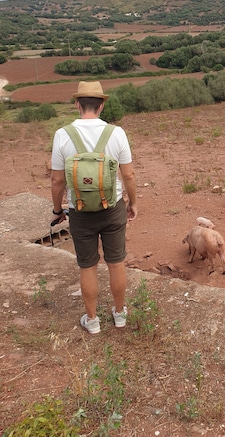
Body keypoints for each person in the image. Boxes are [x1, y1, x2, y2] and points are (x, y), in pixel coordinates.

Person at [51, 81, 137, 334]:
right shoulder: (117, 133)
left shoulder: (62, 134)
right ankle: (119, 314)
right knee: (116, 262)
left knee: (87, 266)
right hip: (112, 209)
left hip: (79, 212)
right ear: (101, 105)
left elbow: (57, 180)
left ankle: (92, 321)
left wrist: (58, 210)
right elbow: (129, 176)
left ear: (78, 104)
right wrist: (133, 203)